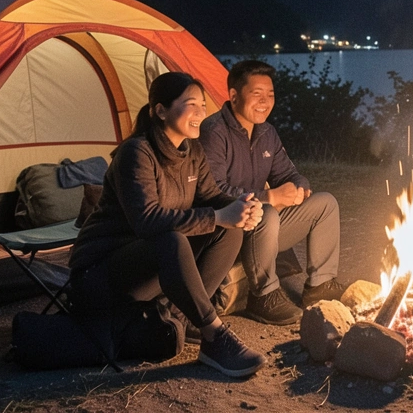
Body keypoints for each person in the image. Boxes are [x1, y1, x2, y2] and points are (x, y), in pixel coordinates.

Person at [68, 72, 267, 378]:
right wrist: (218, 216)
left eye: (203, 104)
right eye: (191, 104)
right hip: (101, 274)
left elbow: (211, 196)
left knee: (228, 230)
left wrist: (239, 208)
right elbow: (147, 221)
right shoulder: (136, 153)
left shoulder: (192, 151)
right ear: (160, 111)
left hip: (148, 269)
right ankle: (214, 334)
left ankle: (183, 318)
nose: (201, 112)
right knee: (170, 239)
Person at [200, 59, 345, 325]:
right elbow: (214, 190)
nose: (265, 101)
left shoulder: (267, 133)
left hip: (262, 230)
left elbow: (288, 173)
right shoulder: (214, 132)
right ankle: (263, 296)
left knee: (326, 204)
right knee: (265, 212)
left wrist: (300, 187)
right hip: (226, 231)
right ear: (233, 96)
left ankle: (319, 286)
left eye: (270, 94)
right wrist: (270, 197)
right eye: (257, 94)